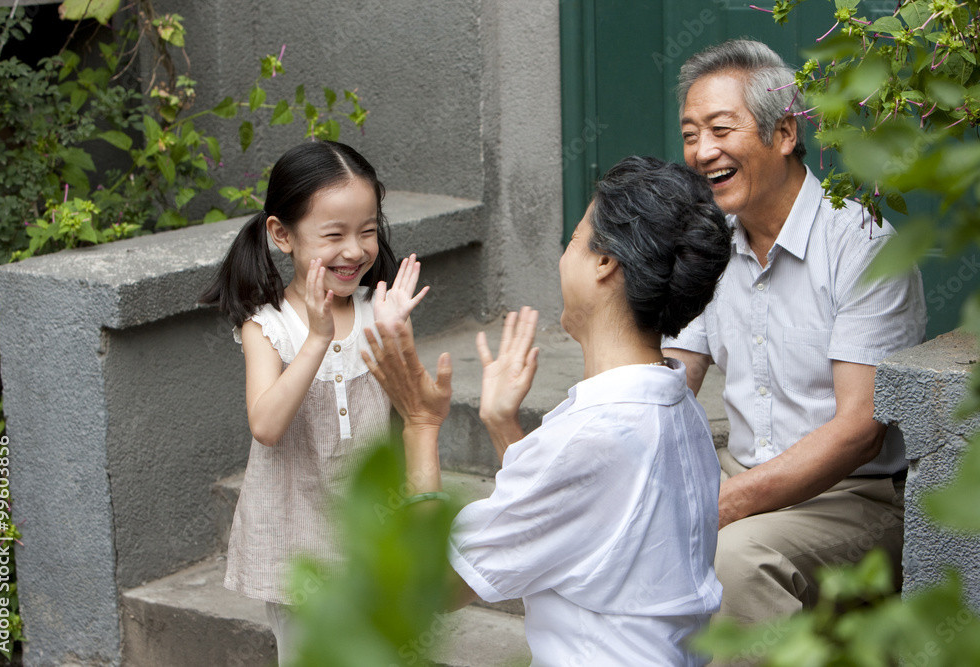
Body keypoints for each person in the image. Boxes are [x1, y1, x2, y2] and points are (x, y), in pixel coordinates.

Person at [363, 156, 733, 666]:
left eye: (575, 239)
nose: (564, 257)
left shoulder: (593, 435)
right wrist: (503, 426)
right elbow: (577, 522)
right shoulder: (678, 405)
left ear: (606, 263)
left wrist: (420, 426)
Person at [663, 39, 928, 628]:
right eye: (689, 134)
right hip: (741, 477)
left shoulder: (860, 242)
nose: (703, 152)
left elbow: (860, 430)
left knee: (732, 559)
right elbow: (674, 376)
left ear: (783, 133)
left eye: (720, 129)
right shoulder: (708, 238)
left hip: (851, 498)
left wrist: (721, 506)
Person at [199, 141, 428, 664]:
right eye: (334, 234)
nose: (355, 250)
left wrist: (396, 338)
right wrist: (317, 339)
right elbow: (267, 425)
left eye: (367, 231)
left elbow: (416, 411)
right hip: (296, 538)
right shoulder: (268, 325)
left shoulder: (380, 308)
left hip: (371, 532)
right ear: (282, 234)